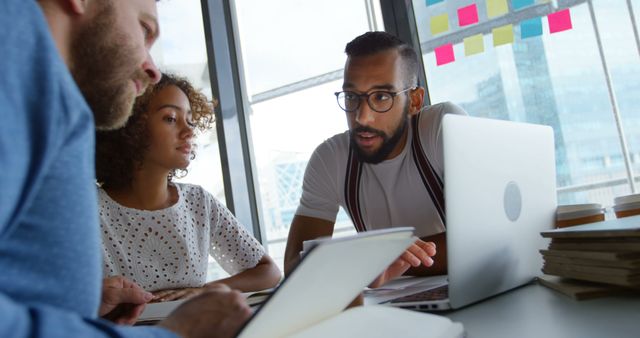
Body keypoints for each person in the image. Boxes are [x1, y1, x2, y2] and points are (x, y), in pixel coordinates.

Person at [1, 0, 251, 337]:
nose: (153, 70)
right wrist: (178, 333)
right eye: (144, 29)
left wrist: (88, 307)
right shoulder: (16, 61)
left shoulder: (53, 104)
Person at [284, 31, 467, 284]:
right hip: (388, 304)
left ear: (414, 101)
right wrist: (371, 261)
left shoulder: (442, 125)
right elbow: (294, 265)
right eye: (352, 97)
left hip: (462, 291)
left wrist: (373, 260)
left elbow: (476, 240)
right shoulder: (331, 159)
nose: (362, 117)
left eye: (381, 97)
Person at [96, 73, 281, 302]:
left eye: (191, 120)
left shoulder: (198, 202)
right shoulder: (90, 209)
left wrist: (203, 291)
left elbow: (268, 271)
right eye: (171, 118)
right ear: (130, 125)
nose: (189, 131)